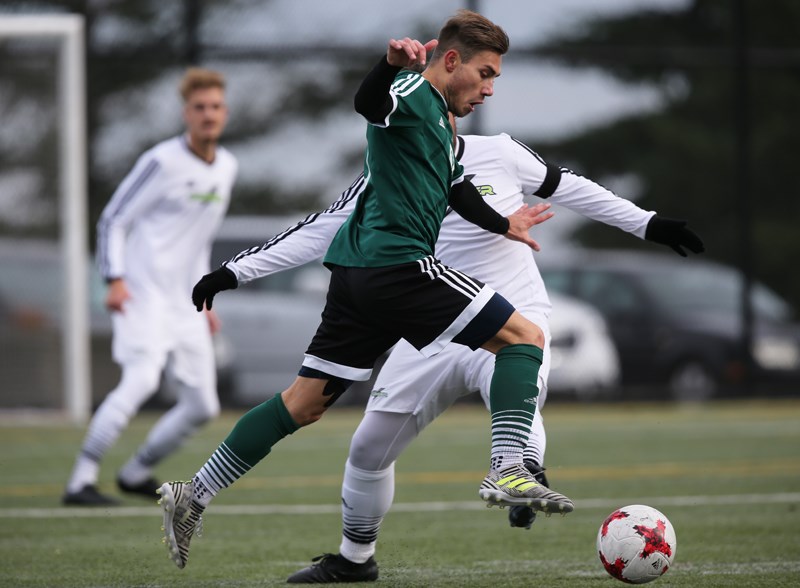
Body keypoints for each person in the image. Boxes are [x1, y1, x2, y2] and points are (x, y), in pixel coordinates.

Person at [158, 10, 577, 571]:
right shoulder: (407, 92)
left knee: (302, 404)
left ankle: (195, 494)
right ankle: (508, 465)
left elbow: (456, 190)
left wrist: (506, 225)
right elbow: (368, 104)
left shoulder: (444, 126)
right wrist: (388, 65)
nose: (489, 88)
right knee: (525, 336)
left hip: (355, 277)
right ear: (449, 61)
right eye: (485, 73)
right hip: (399, 266)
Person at [62, 68, 237, 506]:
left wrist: (205, 296)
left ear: (225, 112)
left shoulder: (228, 167)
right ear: (186, 114)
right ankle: (80, 481)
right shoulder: (161, 161)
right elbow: (113, 219)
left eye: (215, 107)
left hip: (184, 302)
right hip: (142, 293)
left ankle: (135, 471)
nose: (208, 114)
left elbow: (197, 238)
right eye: (199, 108)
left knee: (202, 407)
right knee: (140, 381)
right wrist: (114, 279)